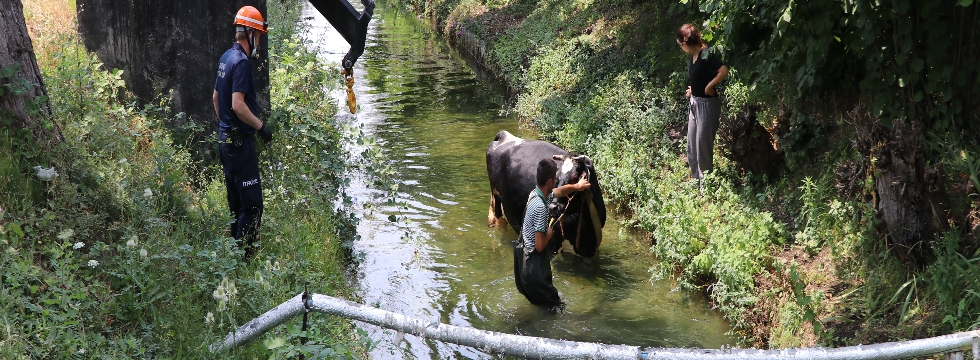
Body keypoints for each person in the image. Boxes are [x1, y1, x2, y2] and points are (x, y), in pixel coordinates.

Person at [213, 6, 272, 260]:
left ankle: (232, 259)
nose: (258, 42)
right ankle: (244, 262)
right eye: (257, 36)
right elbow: (238, 105)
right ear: (248, 33)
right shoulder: (243, 63)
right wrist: (261, 127)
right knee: (252, 205)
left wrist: (226, 127)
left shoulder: (226, 57)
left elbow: (216, 98)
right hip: (239, 145)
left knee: (235, 204)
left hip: (225, 141)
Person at [514, 159, 590, 311]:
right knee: (556, 309)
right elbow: (540, 246)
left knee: (541, 307)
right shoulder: (541, 208)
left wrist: (577, 186)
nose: (556, 182)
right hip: (533, 271)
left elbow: (559, 191)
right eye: (555, 179)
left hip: (522, 265)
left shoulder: (535, 194)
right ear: (549, 181)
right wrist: (549, 233)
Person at [677, 23, 728, 194]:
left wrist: (708, 87)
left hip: (707, 105)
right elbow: (699, 75)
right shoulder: (693, 55)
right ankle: (695, 183)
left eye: (681, 45)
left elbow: (723, 70)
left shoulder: (706, 54)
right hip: (695, 103)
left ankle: (706, 189)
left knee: (702, 147)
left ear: (686, 43)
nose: (681, 48)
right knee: (692, 146)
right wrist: (694, 89)